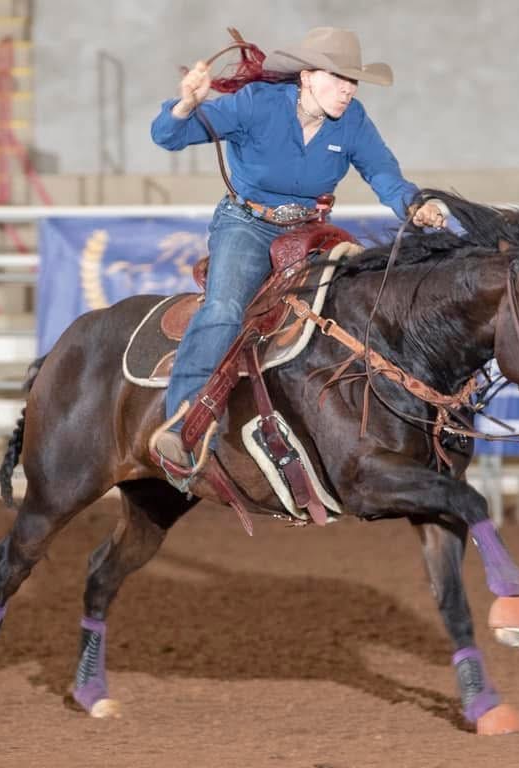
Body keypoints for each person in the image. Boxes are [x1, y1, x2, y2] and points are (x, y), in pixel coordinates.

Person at [149, 27, 448, 466]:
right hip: (246, 224)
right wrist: (187, 104)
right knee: (225, 309)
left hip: (310, 232)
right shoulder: (257, 105)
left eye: (353, 82)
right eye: (339, 79)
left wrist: (416, 205)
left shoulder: (355, 121)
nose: (348, 91)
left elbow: (385, 176)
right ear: (307, 77)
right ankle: (182, 424)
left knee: (355, 309)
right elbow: (167, 136)